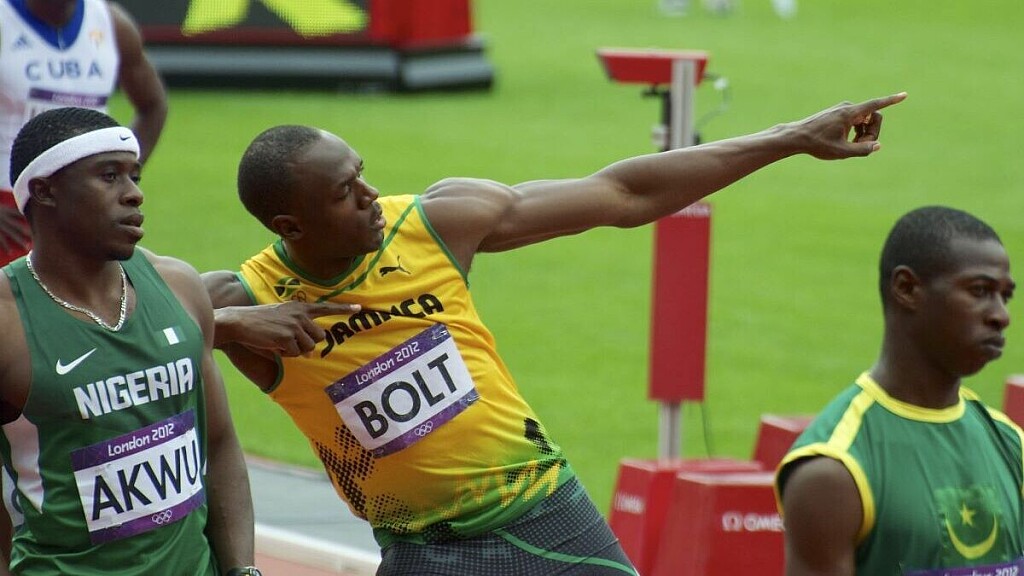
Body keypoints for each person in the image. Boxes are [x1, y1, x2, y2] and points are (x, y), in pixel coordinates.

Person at [204, 91, 906, 575]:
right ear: (289, 226)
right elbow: (137, 318)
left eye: (362, 175)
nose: (370, 197)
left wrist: (791, 138)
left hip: (547, 512)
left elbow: (623, 194)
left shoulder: (432, 223)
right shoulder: (247, 299)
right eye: (344, 193)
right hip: (424, 548)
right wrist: (230, 323)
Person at [0, 107, 257, 575]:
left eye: (134, 176)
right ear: (44, 191)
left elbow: (219, 445)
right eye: (109, 176)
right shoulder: (8, 320)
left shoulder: (178, 285)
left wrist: (243, 570)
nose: (134, 193)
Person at [775, 206, 1023, 575]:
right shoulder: (833, 471)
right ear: (906, 288)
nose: (1001, 315)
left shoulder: (1011, 444)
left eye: (1005, 296)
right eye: (980, 291)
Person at [0, 0, 168, 266]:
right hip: (12, 210)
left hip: (89, 204)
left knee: (103, 290)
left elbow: (153, 105)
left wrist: (120, 175)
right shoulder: (5, 19)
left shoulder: (111, 23)